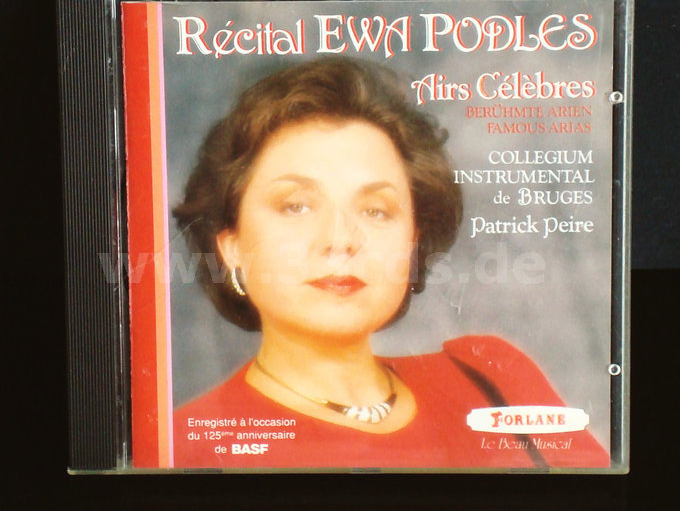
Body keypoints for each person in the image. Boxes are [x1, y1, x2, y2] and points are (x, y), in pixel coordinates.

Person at [172, 57, 608, 469]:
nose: (341, 240)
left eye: (376, 210)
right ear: (230, 245)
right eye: (296, 206)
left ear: (413, 240)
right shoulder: (186, 445)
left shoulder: (491, 377)